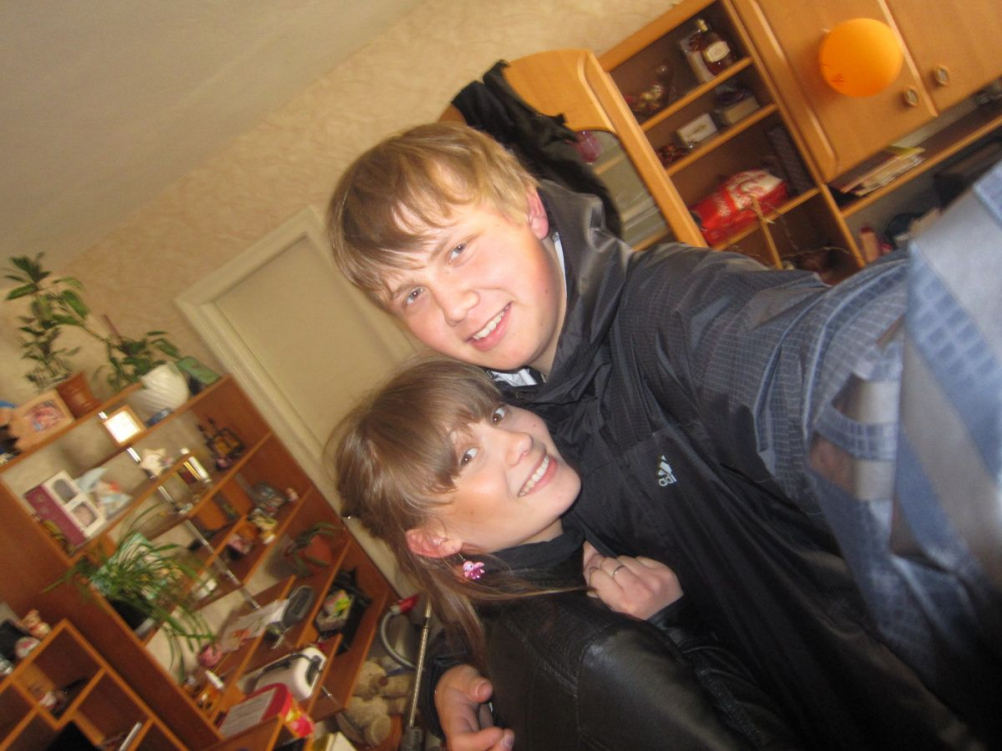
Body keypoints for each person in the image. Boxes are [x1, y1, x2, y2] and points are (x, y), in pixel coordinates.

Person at [327, 122, 998, 748]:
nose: (453, 307)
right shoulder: (499, 403)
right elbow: (493, 555)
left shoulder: (676, 309)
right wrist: (451, 668)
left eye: (457, 249)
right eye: (410, 294)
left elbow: (821, 370)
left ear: (529, 210)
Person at [332, 358, 803, 750]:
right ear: (435, 541)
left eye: (497, 414)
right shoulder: (604, 651)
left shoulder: (485, 595)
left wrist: (445, 674)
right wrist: (675, 626)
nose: (519, 440)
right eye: (467, 458)